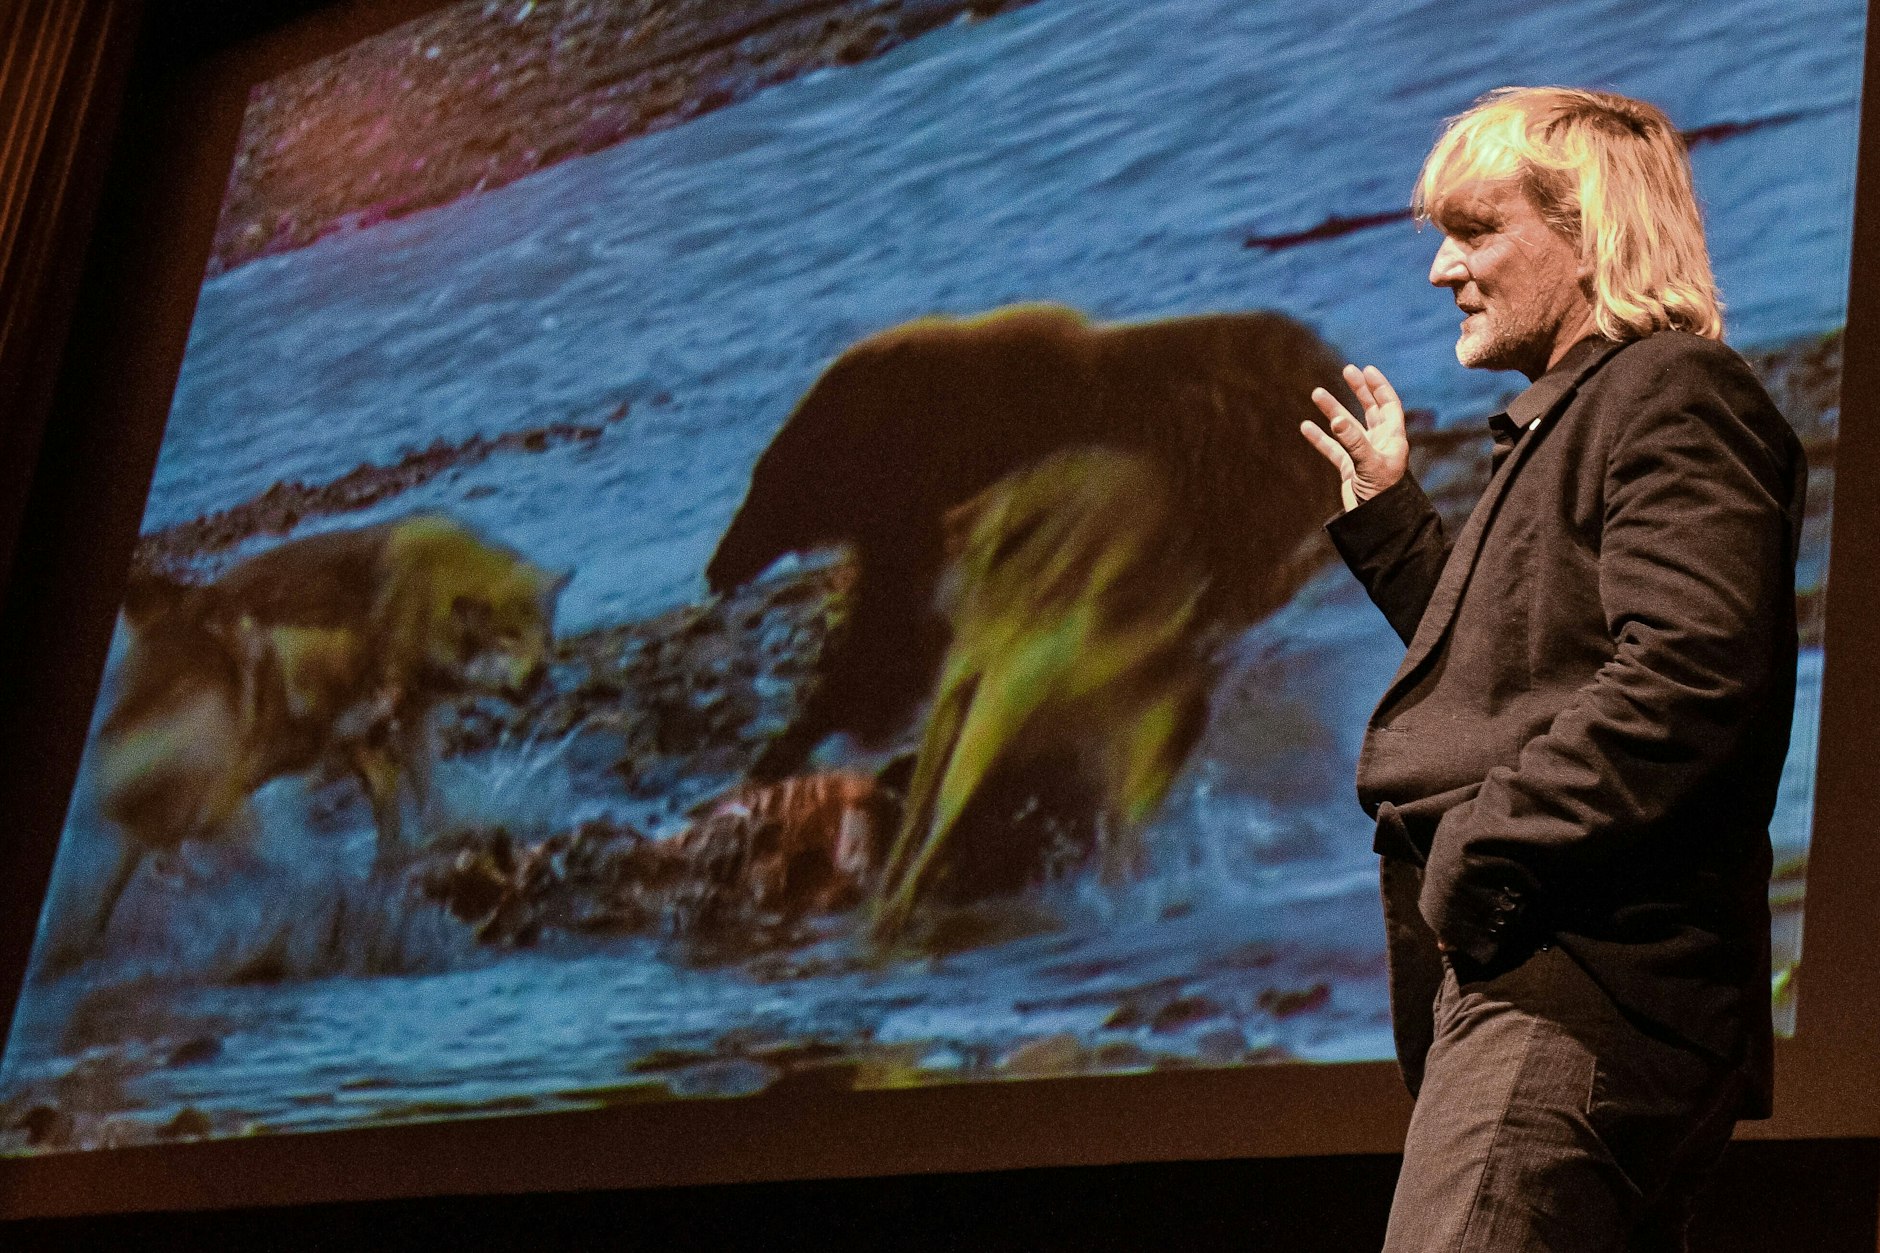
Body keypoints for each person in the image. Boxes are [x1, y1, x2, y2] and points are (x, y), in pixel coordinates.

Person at [1299, 87, 1806, 1251]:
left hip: (1573, 985)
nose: (1441, 271)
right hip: (1550, 981)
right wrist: (1388, 519)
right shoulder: (1584, 415)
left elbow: (1685, 678)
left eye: (1474, 231)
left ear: (1588, 236)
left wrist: (1482, 855)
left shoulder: (1670, 392)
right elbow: (1503, 673)